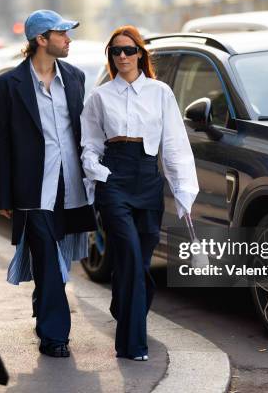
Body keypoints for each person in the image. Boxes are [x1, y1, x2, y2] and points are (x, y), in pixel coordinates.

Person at [80, 25, 199, 361]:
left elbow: (174, 145)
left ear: (140, 54)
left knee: (140, 261)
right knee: (131, 255)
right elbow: (88, 143)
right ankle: (132, 344)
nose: (122, 56)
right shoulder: (99, 97)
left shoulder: (160, 92)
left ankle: (122, 303)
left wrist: (183, 191)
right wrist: (99, 172)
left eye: (129, 50)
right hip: (114, 178)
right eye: (116, 51)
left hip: (148, 178)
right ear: (110, 57)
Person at [0, 9, 96, 358]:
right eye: (62, 33)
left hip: (72, 187)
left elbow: (87, 132)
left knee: (59, 261)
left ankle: (43, 305)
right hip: (34, 189)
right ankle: (55, 337)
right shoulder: (8, 85)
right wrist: (2, 195)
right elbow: (1, 142)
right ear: (41, 39)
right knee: (49, 260)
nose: (68, 39)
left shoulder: (76, 78)